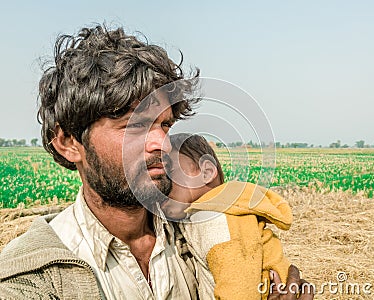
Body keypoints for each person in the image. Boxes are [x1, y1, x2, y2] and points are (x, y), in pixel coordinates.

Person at [0, 24, 313, 300]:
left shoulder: (203, 230)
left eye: (165, 124)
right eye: (133, 125)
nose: (162, 144)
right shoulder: (31, 279)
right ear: (69, 143)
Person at [161, 133, 293, 299]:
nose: (159, 184)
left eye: (168, 172)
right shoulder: (215, 213)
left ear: (207, 172)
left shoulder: (214, 219)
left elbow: (239, 289)